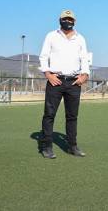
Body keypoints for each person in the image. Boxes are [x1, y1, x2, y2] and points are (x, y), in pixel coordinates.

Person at [39, 10, 89, 159]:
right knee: (49, 114)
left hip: (74, 82)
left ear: (74, 21)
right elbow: (43, 56)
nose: (68, 21)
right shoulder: (51, 36)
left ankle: (72, 146)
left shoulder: (80, 39)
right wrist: (48, 74)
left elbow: (84, 58)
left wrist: (84, 75)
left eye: (70, 19)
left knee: (72, 116)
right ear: (60, 20)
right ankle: (46, 146)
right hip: (56, 81)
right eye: (65, 19)